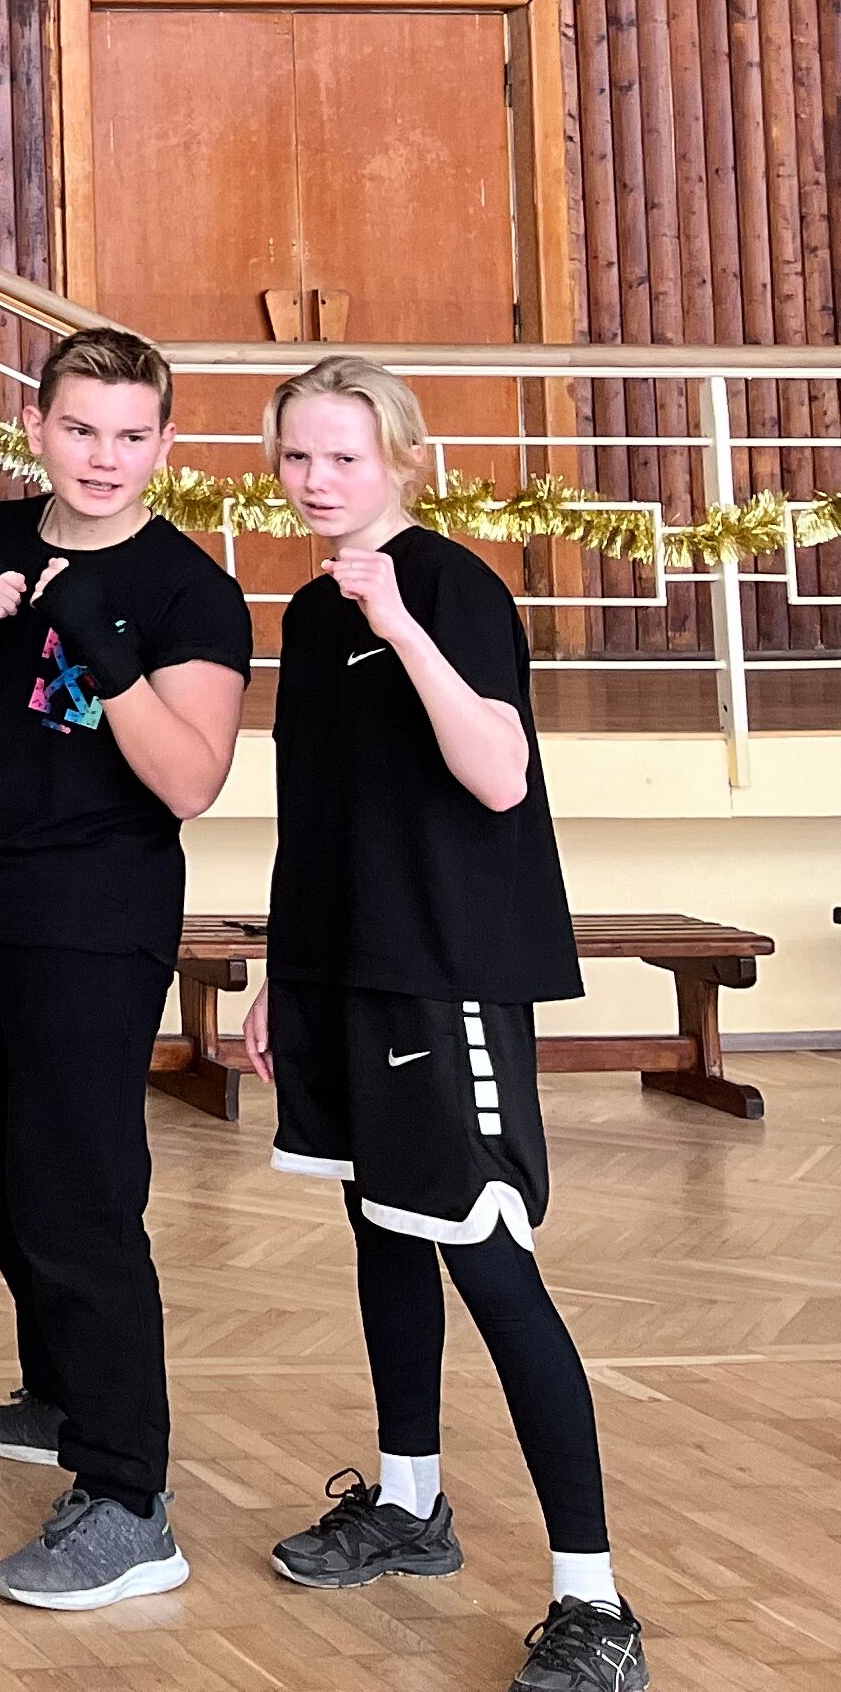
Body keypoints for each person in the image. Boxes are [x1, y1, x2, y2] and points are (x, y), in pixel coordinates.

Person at [247, 358, 644, 1692]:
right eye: (297, 457)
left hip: (444, 974)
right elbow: (320, 813)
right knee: (383, 1232)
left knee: (487, 1258)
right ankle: (410, 1503)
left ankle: (594, 1601)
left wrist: (402, 624)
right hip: (341, 972)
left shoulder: (451, 587)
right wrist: (282, 973)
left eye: (343, 458)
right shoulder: (311, 612)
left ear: (403, 460)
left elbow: (499, 773)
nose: (315, 481)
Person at [0, 327, 250, 1609]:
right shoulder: (0, 531)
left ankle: (128, 1496)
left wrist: (105, 653)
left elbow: (192, 781)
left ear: (164, 443)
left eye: (130, 435)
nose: (103, 456)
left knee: (80, 1193)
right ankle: (60, 1392)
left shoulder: (188, 591)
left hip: (95, 920)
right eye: (79, 429)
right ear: (36, 427)